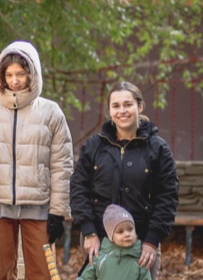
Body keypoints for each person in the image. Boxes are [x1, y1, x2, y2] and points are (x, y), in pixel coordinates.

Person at [0, 41, 74, 280]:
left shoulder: (51, 112)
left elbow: (62, 166)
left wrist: (58, 212)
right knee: (1, 274)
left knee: (42, 273)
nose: (15, 80)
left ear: (32, 74)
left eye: (21, 74)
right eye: (9, 74)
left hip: (39, 207)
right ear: (1, 76)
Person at [70, 81, 179, 280]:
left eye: (128, 104)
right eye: (116, 106)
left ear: (140, 106)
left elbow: (167, 198)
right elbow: (78, 189)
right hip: (99, 240)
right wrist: (88, 232)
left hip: (142, 243)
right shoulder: (94, 146)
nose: (122, 111)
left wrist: (152, 240)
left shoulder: (158, 149)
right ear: (109, 110)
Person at [78, 204, 152, 280]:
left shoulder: (141, 259)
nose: (127, 234)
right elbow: (85, 277)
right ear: (111, 236)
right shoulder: (100, 257)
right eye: (120, 231)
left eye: (130, 229)